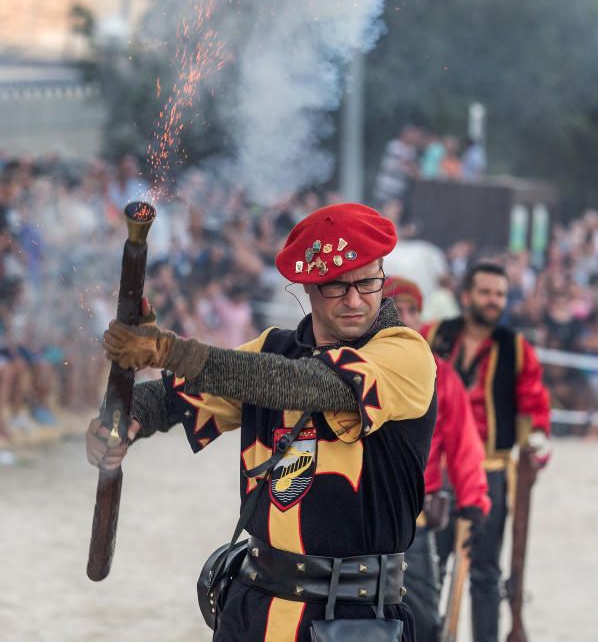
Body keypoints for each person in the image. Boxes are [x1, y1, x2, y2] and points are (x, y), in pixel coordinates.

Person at [86, 203, 437, 642]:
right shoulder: (272, 349)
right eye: (336, 285)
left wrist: (170, 351)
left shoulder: (405, 352)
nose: (354, 299)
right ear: (308, 286)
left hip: (353, 617)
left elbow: (308, 386)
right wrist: (122, 420)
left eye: (367, 282)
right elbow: (169, 397)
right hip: (251, 608)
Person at [420, 261, 551, 642]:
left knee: (486, 572)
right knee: (430, 565)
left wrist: (537, 440)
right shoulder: (433, 336)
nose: (493, 301)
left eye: (499, 294)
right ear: (467, 296)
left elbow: (533, 404)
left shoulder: (517, 348)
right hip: (436, 468)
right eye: (486, 293)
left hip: (489, 469)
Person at [385, 276, 490, 642]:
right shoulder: (352, 368)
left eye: (414, 311)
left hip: (415, 522)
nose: (407, 318)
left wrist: (474, 502)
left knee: (423, 625)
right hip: (359, 522)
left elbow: (464, 446)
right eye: (398, 310)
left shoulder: (441, 377)